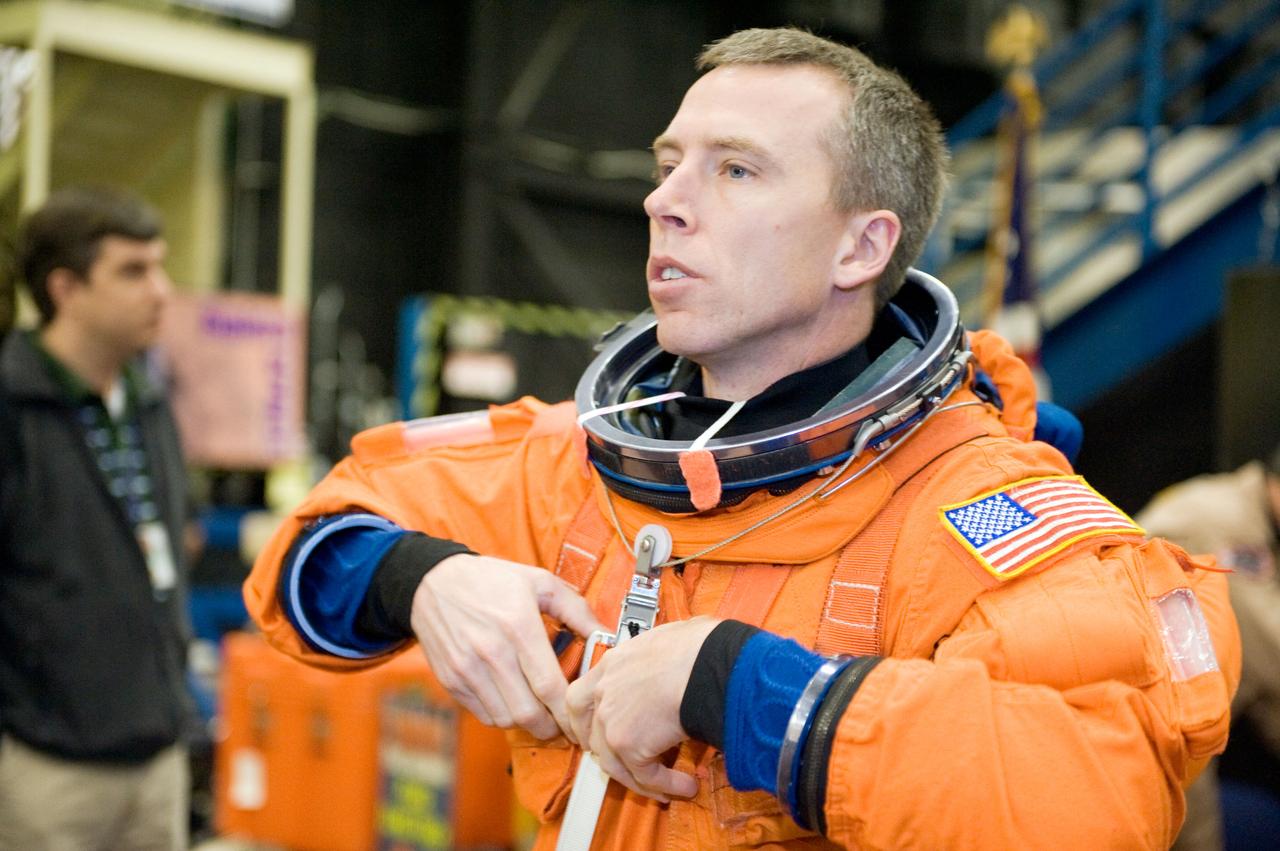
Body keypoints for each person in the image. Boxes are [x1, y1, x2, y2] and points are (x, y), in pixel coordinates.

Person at [245, 28, 1239, 849]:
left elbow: (1097, 796)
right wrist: (424, 579)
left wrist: (734, 682)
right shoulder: (577, 461)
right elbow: (310, 543)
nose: (661, 200)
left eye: (734, 169)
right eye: (667, 163)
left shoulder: (978, 508)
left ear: (861, 244)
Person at [0, 187, 193, 850]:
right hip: (46, 770)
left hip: (157, 757)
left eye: (159, 266)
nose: (161, 290)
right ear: (65, 287)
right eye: (133, 271)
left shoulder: (149, 400)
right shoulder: (12, 406)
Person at [1137, 446, 1280, 851]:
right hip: (1158, 727)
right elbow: (1274, 658)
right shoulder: (1225, 523)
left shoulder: (1250, 507)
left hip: (1188, 716)